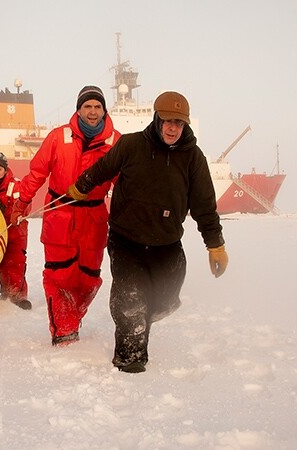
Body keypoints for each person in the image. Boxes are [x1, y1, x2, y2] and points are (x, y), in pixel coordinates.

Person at [66, 91, 229, 373]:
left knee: (165, 297)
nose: (172, 128)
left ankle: (143, 316)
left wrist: (215, 244)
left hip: (166, 243)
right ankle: (130, 361)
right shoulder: (131, 145)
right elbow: (104, 168)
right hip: (126, 239)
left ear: (185, 124)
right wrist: (82, 185)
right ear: (156, 119)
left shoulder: (193, 158)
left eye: (178, 123)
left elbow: (204, 205)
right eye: (167, 120)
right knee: (131, 298)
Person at [10, 86, 121, 346]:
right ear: (78, 109)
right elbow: (37, 172)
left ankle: (73, 314)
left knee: (88, 279)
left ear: (104, 110)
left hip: (93, 218)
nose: (92, 112)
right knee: (59, 276)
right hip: (60, 214)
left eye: (97, 107)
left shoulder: (116, 142)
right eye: (87, 106)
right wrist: (22, 202)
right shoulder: (58, 137)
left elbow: (125, 183)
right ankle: (64, 330)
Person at [0, 152, 31, 310]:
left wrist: (3, 209)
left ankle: (18, 295)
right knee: (1, 263)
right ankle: (6, 291)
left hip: (15, 231)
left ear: (5, 170)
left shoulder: (16, 185)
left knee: (16, 262)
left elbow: (25, 207)